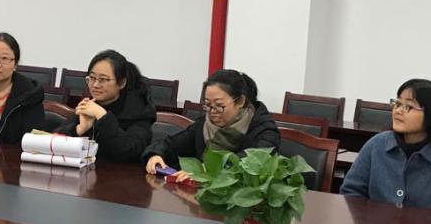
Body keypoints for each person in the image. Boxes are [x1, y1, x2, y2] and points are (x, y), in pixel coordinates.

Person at [340, 79, 431, 215]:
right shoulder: (376, 145)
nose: (398, 111)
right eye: (397, 103)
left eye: (408, 106)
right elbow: (351, 193)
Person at [143, 70, 278, 181]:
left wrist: (205, 172)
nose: (212, 112)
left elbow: (249, 163)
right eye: (208, 105)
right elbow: (172, 144)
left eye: (219, 106)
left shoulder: (265, 131)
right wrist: (155, 155)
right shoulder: (204, 125)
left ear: (240, 101)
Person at [53, 49, 155, 163]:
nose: (95, 85)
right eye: (92, 78)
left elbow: (129, 151)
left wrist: (102, 116)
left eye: (103, 79)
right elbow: (55, 141)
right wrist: (79, 129)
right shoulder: (90, 105)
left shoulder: (139, 110)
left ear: (121, 83)